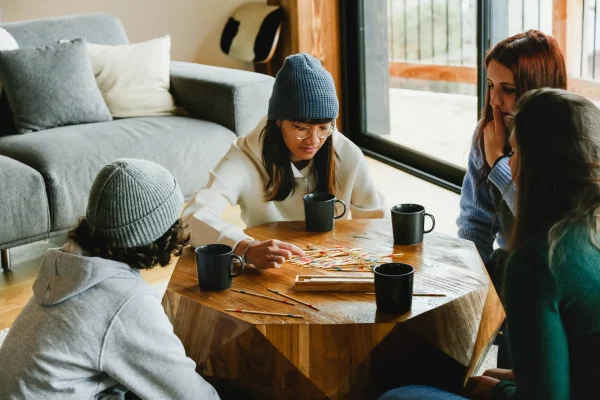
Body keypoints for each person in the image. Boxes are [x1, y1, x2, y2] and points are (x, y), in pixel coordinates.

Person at [381, 88, 600, 399]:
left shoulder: (537, 261)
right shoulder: (590, 230)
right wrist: (518, 377)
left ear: (538, 167)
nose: (508, 166)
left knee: (398, 396)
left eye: (514, 153)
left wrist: (503, 392)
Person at [0, 159, 219, 400]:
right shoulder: (126, 303)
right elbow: (190, 395)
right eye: (172, 220)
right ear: (155, 234)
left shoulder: (65, 267)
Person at [183, 53, 388, 269]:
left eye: (324, 128)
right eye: (301, 128)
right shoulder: (244, 156)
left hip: (333, 263)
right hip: (269, 268)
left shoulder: (346, 153)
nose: (314, 140)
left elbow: (376, 223)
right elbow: (192, 218)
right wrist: (245, 247)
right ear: (278, 120)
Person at [456, 30, 567, 291]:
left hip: (558, 275)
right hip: (513, 269)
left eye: (508, 89)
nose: (494, 100)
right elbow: (475, 223)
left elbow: (548, 232)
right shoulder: (488, 133)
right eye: (491, 86)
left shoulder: (570, 141)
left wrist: (498, 163)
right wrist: (477, 288)